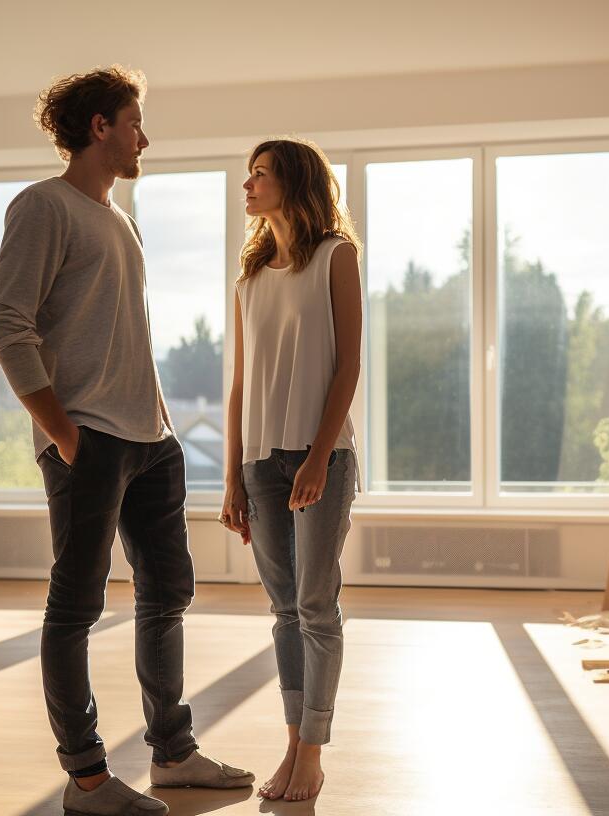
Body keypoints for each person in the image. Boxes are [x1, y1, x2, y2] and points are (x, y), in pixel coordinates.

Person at [0, 65, 254, 816]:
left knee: (168, 593)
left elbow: (120, 335)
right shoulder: (44, 206)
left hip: (150, 437)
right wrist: (63, 433)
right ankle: (87, 779)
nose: (145, 136)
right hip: (90, 438)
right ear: (99, 126)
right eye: (134, 121)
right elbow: (8, 324)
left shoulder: (121, 220)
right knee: (75, 606)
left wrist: (159, 429)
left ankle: (172, 755)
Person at [220, 137, 362, 802]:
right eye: (248, 175)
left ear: (293, 182)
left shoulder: (337, 256)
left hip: (320, 457)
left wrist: (316, 455)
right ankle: (291, 740)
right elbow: (240, 385)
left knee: (315, 606)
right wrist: (230, 478)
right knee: (283, 611)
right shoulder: (249, 277)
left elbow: (348, 366)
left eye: (260, 175)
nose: (247, 185)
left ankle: (312, 750)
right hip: (258, 464)